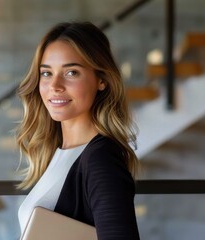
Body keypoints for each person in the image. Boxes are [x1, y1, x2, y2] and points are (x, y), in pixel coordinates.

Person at [16, 21, 140, 239]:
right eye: (46, 73)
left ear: (101, 80)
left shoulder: (101, 159)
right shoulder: (59, 153)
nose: (55, 85)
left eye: (71, 72)